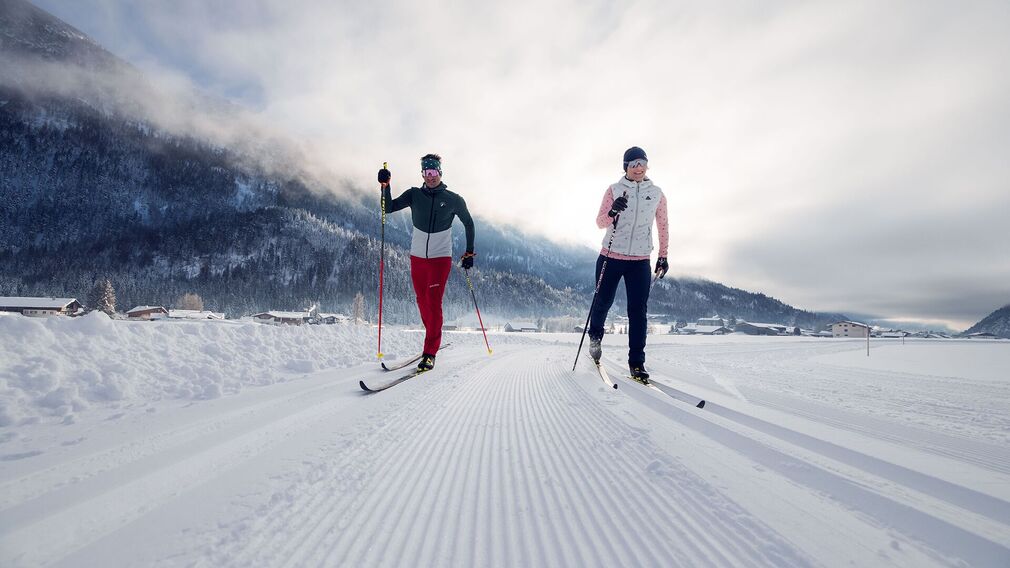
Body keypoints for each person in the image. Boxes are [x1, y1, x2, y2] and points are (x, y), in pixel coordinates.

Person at [378, 154, 475, 372]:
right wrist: (385, 186)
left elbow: (469, 223)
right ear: (422, 174)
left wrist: (469, 253)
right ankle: (433, 334)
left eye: (433, 172)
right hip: (418, 257)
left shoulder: (453, 199)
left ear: (440, 172)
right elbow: (388, 208)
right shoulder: (414, 194)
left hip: (440, 257)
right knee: (422, 301)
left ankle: (430, 352)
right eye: (426, 172)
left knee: (433, 301)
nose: (430, 176)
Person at [588, 146, 669, 382]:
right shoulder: (614, 190)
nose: (638, 168)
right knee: (603, 302)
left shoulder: (657, 194)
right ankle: (595, 338)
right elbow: (600, 222)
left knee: (638, 311)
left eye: (642, 163)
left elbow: (663, 226)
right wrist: (613, 211)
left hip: (640, 260)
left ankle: (637, 363)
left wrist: (663, 256)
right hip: (611, 255)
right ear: (626, 167)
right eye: (633, 164)